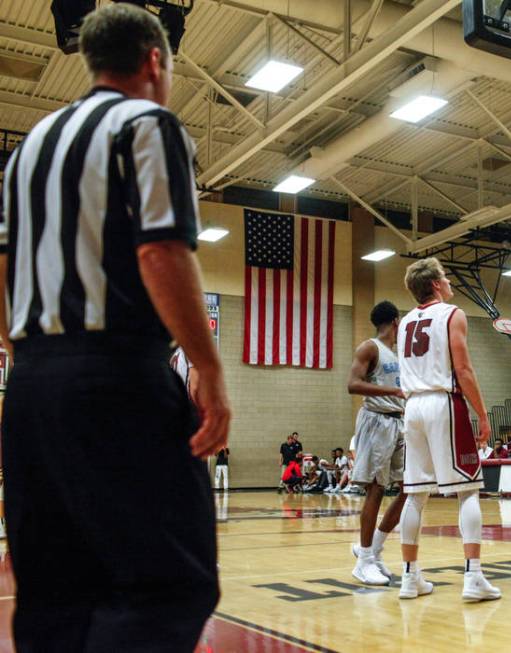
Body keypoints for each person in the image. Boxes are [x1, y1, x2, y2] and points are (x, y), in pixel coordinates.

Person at [0, 5, 231, 649]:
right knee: (172, 584)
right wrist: (207, 369)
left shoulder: (29, 148)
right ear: (156, 60)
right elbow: (160, 250)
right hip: (116, 378)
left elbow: (3, 267)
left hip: (30, 386)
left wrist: (31, 363)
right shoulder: (148, 122)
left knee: (53, 595)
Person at [396, 258, 500, 602]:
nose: (449, 280)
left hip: (411, 407)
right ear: (437, 284)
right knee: (468, 489)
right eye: (445, 276)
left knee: (415, 494)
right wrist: (482, 414)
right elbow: (464, 368)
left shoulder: (404, 322)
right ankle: (473, 576)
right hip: (443, 401)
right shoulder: (453, 314)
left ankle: (409, 579)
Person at [347, 300, 409, 586]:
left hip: (398, 422)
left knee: (410, 487)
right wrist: (394, 390)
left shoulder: (395, 354)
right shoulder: (369, 347)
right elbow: (353, 384)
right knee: (375, 489)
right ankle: (363, 563)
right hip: (376, 420)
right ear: (396, 321)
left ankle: (373, 548)